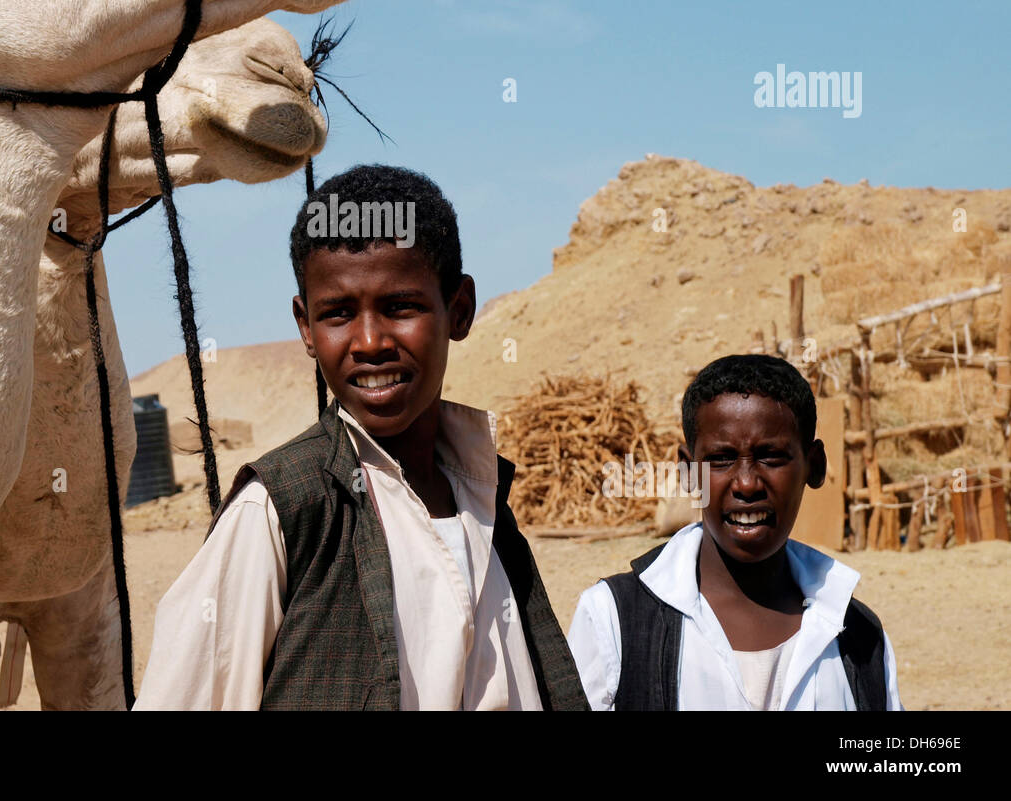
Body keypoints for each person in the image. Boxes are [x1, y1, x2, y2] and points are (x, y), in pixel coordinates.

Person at [135, 164, 585, 710]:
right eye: (339, 314)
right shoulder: (280, 510)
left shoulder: (483, 500)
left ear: (459, 311)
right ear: (306, 327)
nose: (369, 341)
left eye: (400, 307)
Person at [568, 353, 903, 710]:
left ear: (815, 466)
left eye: (771, 456)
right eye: (721, 459)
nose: (746, 483)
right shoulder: (615, 621)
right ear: (687, 473)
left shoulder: (857, 636)